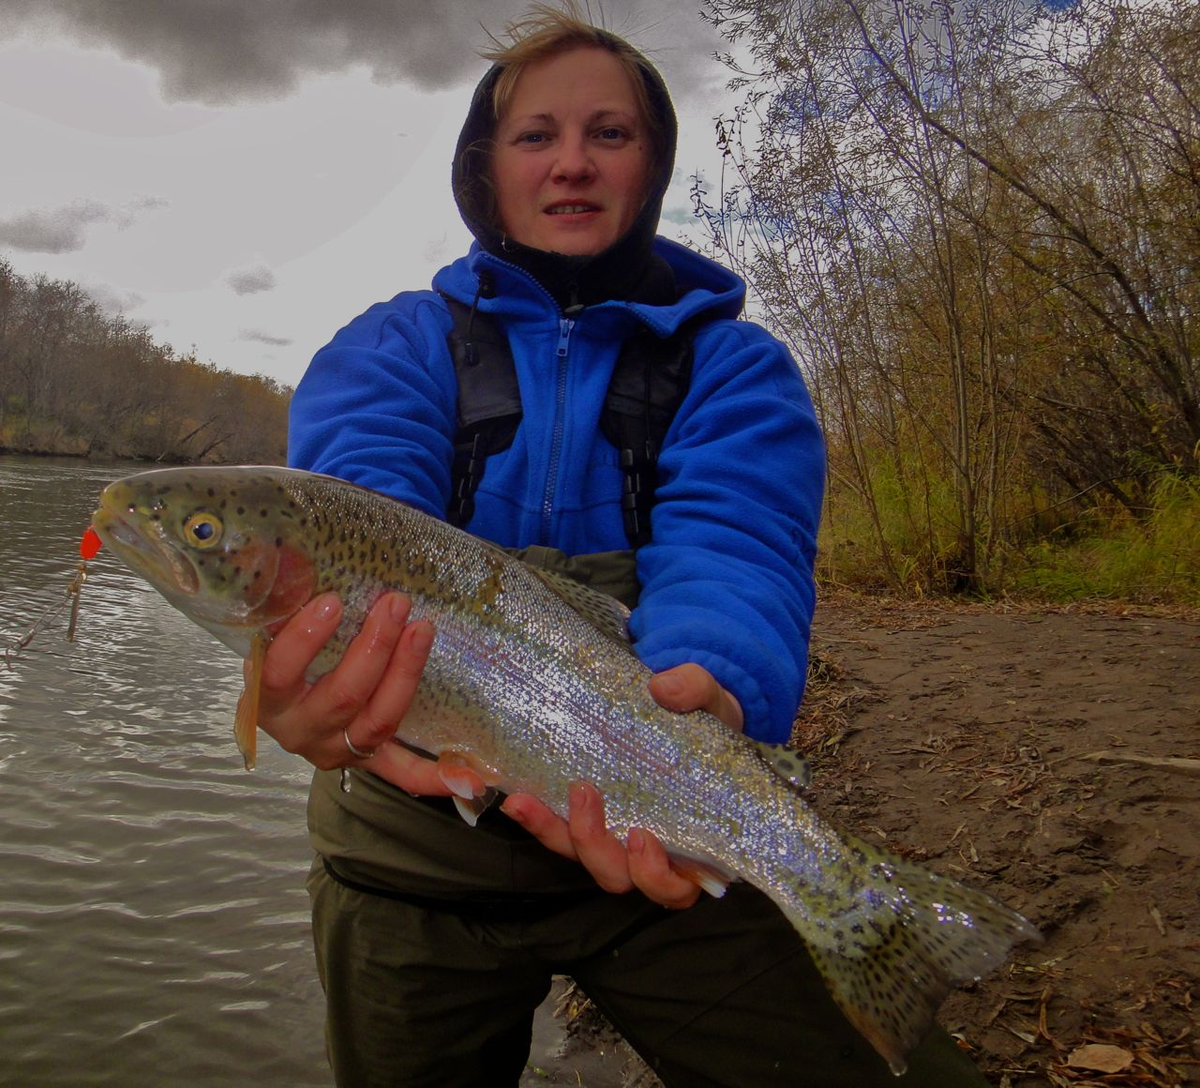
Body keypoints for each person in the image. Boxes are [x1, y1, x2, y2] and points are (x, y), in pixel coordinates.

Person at [256, 6, 989, 1086]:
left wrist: (719, 691)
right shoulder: (389, 349)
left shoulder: (737, 370)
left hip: (653, 833)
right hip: (407, 858)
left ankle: (858, 911)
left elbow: (735, 551)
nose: (572, 163)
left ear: (652, 165)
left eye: (610, 133)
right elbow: (356, 520)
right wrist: (315, 653)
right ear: (483, 168)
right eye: (535, 135)